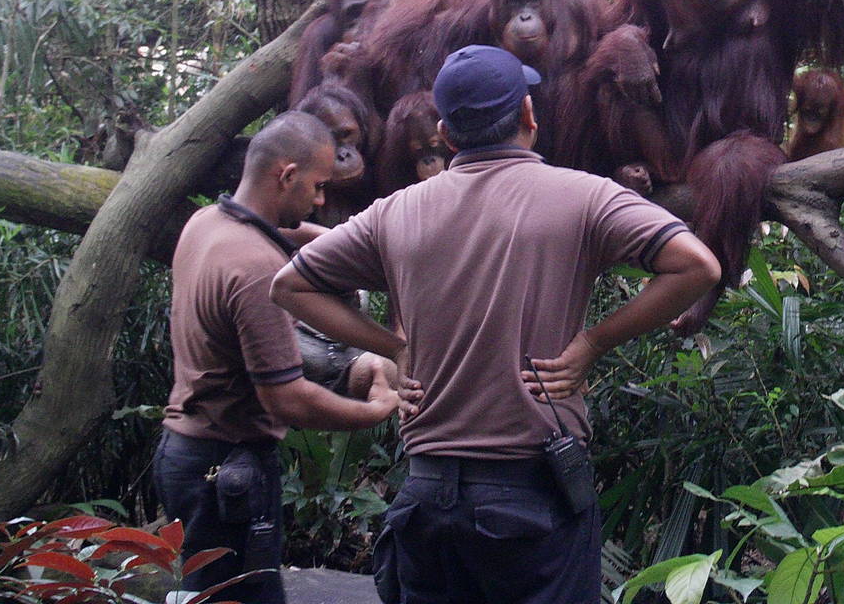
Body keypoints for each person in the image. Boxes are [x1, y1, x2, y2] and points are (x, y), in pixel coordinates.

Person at [271, 44, 721, 604]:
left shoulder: (396, 211)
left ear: (448, 134)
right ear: (529, 117)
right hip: (531, 497)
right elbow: (698, 265)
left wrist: (392, 345)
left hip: (427, 495)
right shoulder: (584, 196)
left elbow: (289, 285)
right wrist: (593, 342)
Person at [155, 110, 414, 604]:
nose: (321, 200)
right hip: (226, 470)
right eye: (317, 187)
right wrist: (373, 412)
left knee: (204, 593)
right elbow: (287, 400)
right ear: (287, 175)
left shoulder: (207, 222)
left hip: (182, 453)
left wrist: (343, 247)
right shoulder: (257, 272)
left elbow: (284, 237)